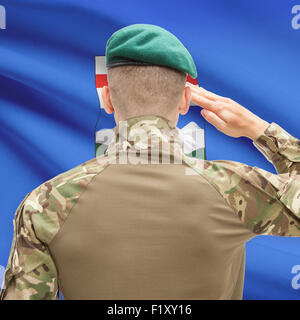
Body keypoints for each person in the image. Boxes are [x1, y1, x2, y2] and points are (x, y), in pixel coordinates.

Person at [1, 23, 300, 300]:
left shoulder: (45, 204)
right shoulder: (235, 188)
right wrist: (259, 130)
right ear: (186, 100)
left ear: (106, 98)